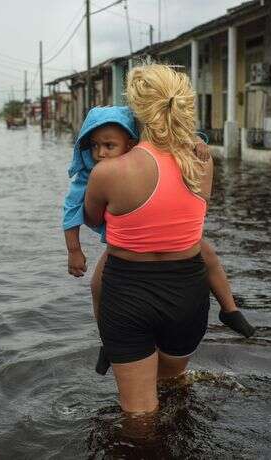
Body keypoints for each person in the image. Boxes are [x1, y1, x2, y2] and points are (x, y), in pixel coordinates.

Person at [83, 64, 252, 414]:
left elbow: (92, 219)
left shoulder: (108, 171)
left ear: (136, 110)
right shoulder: (201, 162)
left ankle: (108, 345)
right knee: (173, 387)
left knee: (139, 413)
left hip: (127, 293)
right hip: (188, 293)